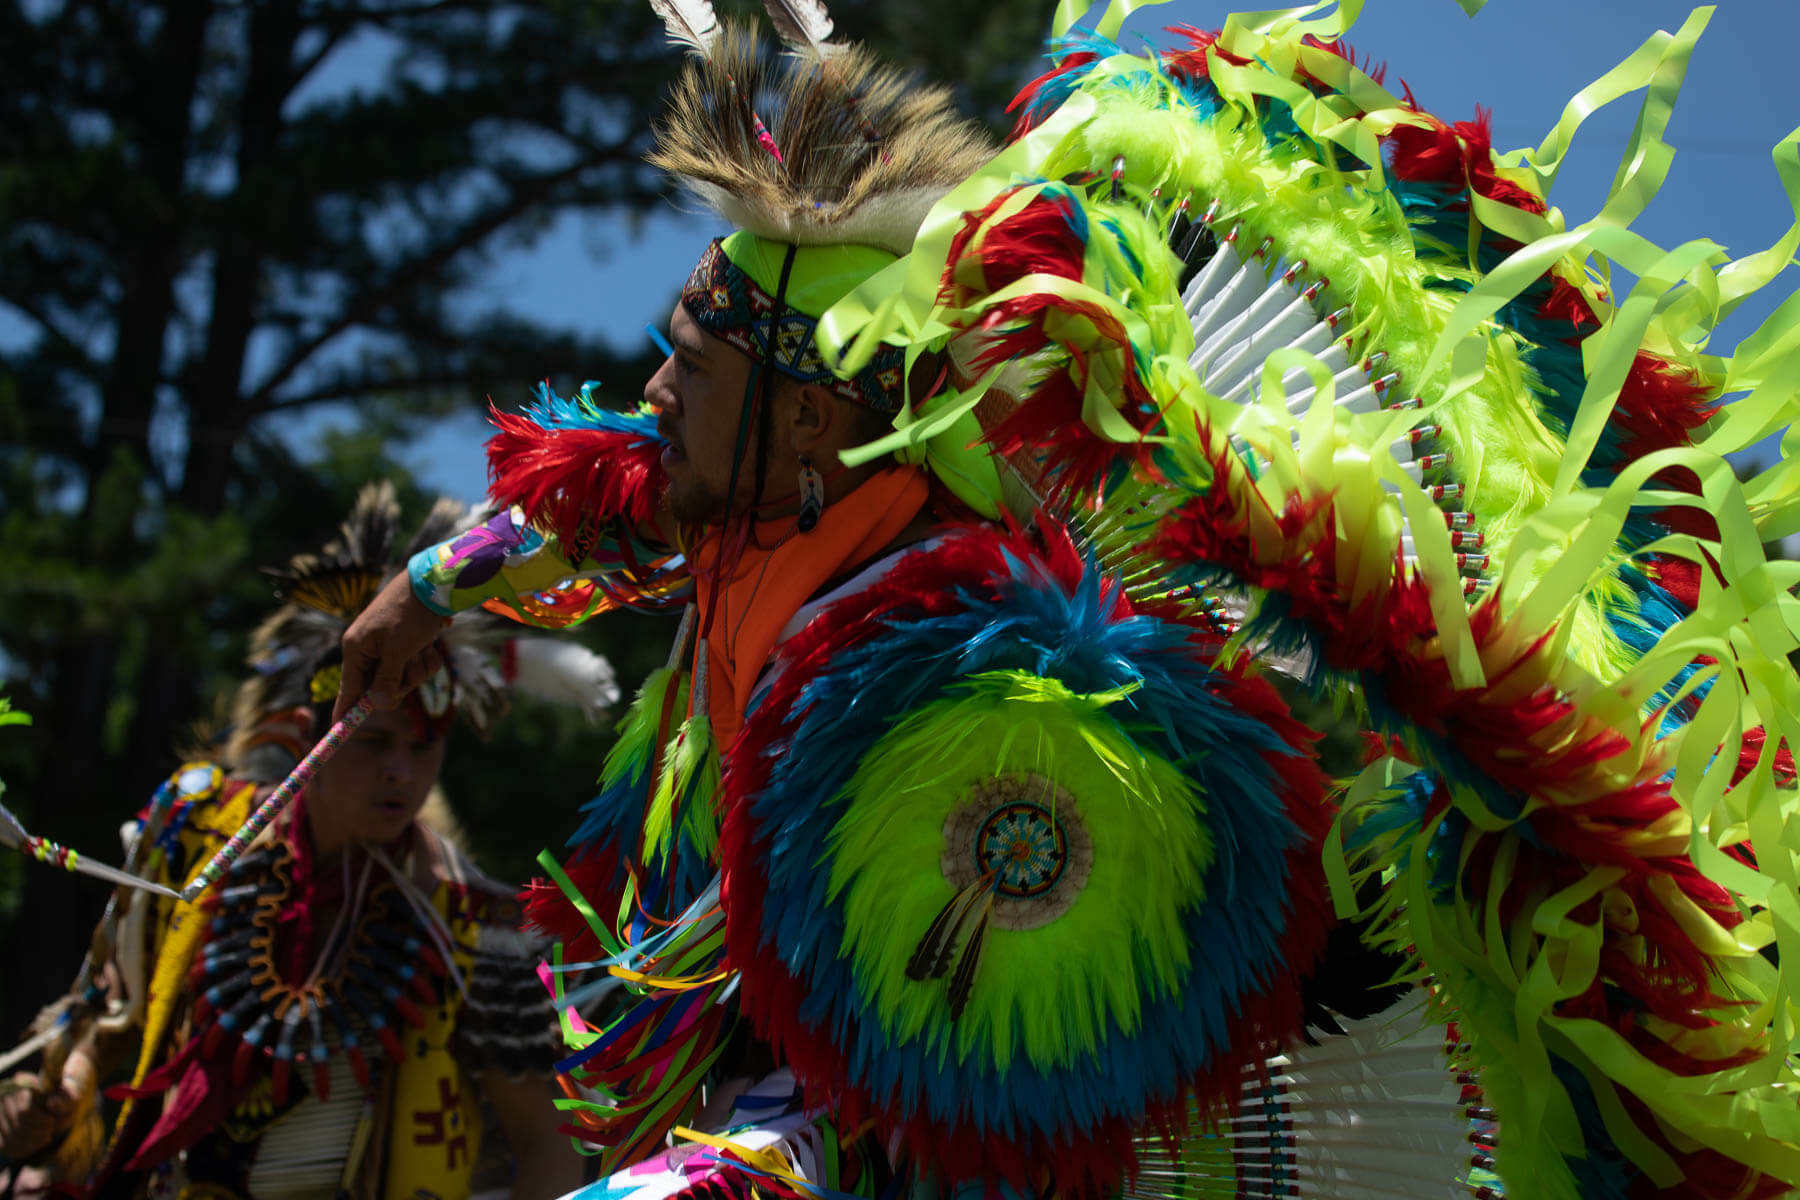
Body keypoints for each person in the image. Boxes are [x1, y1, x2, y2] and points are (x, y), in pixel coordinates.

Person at [337, 3, 1800, 1197]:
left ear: (803, 417)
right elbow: (598, 504)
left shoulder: (950, 617)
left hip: (947, 1089)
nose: (656, 391)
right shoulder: (738, 496)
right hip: (773, 1029)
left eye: (691, 363)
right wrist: (418, 592)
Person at [0, 483, 597, 1199]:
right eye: (375, 741)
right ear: (310, 735)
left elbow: (545, 1141)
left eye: (425, 747)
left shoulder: (473, 922)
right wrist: (55, 1097)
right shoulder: (197, 835)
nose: (401, 773)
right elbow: (110, 1012)